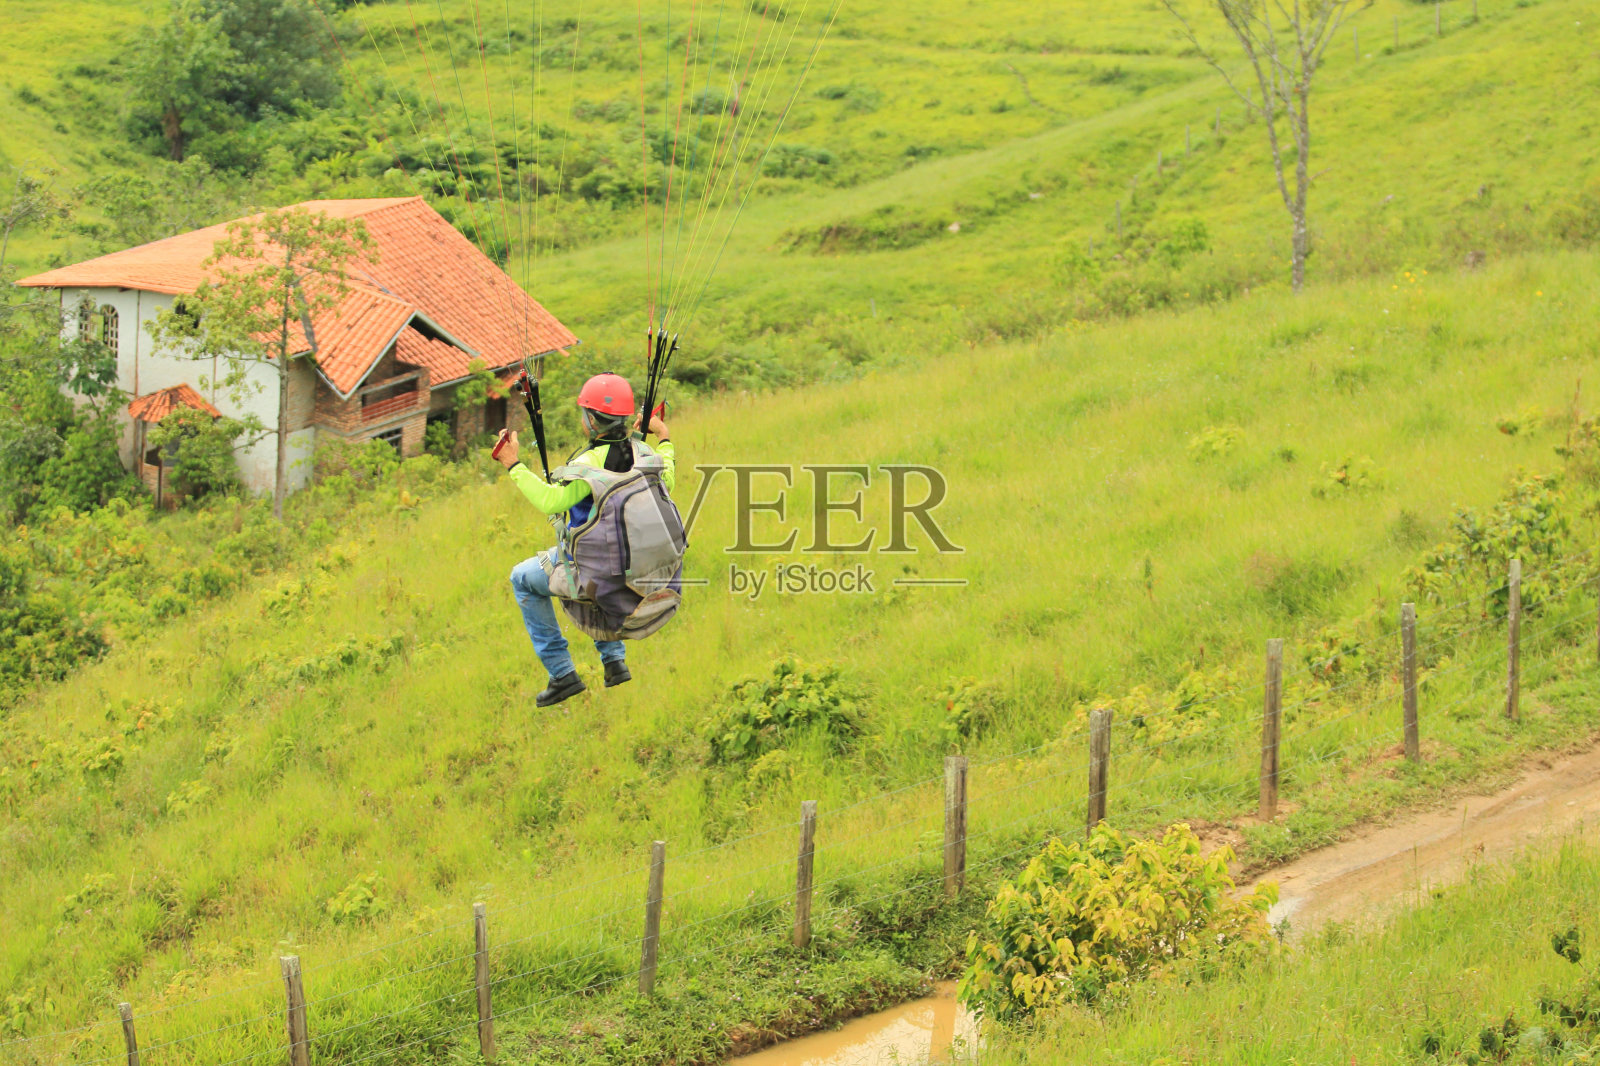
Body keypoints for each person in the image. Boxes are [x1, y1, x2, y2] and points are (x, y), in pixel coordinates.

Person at [495, 372, 674, 707]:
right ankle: (614, 661)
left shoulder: (587, 465)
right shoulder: (645, 455)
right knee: (593, 552)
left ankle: (562, 674)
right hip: (633, 569)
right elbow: (670, 480)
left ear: (591, 421)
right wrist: (663, 436)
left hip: (597, 574)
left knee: (523, 578)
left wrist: (513, 464)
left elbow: (551, 502)